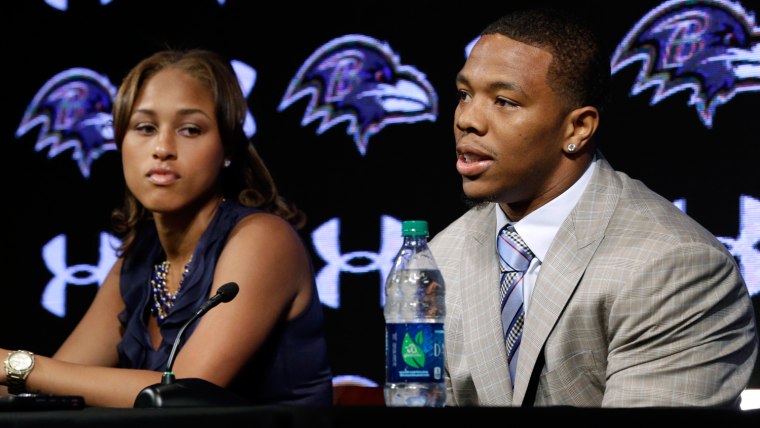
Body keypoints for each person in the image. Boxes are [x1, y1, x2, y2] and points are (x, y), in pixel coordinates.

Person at [429, 7, 758, 407]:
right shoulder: (439, 260)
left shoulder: (676, 268)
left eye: (504, 101)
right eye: (464, 94)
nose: (468, 119)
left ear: (578, 128)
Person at [1, 49, 333, 407]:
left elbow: (184, 395)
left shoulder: (264, 241)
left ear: (228, 149)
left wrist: (13, 364)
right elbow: (51, 387)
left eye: (190, 129)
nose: (162, 148)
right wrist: (13, 374)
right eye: (144, 128)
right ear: (120, 143)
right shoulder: (140, 261)